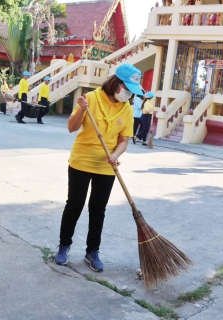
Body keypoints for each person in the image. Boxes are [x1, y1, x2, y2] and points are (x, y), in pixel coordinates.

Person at [54, 63, 143, 272]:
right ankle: (64, 246)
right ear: (116, 84)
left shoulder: (127, 109)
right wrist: (81, 110)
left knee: (98, 210)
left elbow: (124, 140)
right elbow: (71, 127)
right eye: (127, 88)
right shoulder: (92, 99)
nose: (129, 94)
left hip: (106, 166)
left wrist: (116, 154)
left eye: (132, 91)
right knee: (74, 204)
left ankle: (92, 252)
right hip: (81, 161)